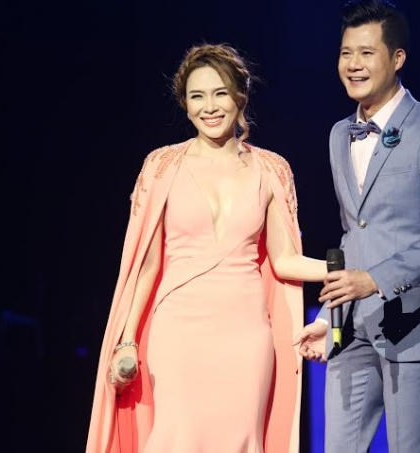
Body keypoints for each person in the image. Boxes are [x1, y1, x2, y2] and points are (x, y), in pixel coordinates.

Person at [86, 44, 326, 453]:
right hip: (178, 331)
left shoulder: (272, 169)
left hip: (246, 334)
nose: (209, 107)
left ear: (240, 96)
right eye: (197, 96)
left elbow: (285, 259)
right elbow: (147, 266)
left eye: (220, 93)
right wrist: (126, 341)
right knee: (177, 438)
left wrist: (349, 268)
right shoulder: (162, 165)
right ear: (185, 104)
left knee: (240, 440)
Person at [293, 2, 420, 452]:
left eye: (367, 53)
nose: (353, 64)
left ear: (397, 58)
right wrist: (328, 316)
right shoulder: (339, 134)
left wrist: (375, 279)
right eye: (346, 53)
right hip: (350, 327)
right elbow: (355, 233)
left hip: (413, 322)